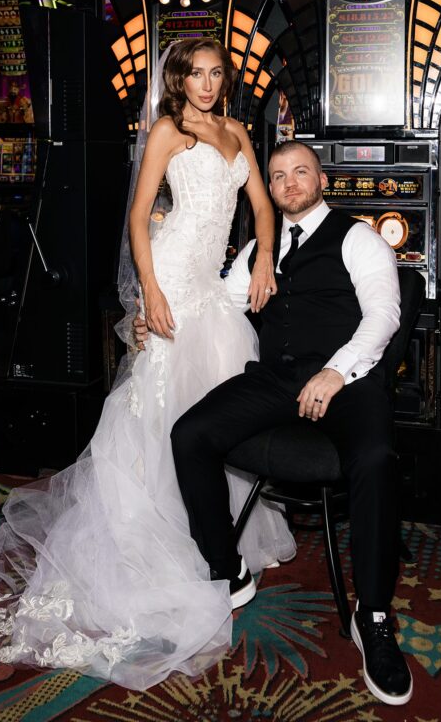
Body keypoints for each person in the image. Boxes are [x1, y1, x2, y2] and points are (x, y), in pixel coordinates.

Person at [0, 38, 295, 689]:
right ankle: (153, 533)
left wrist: (266, 257)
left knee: (218, 402)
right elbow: (138, 218)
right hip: (169, 277)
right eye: (197, 74)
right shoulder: (168, 128)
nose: (207, 84)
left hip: (211, 289)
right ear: (178, 78)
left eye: (217, 74)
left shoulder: (236, 130)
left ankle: (216, 532)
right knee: (158, 409)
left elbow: (261, 206)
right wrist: (152, 291)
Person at [165, 140, 413, 707]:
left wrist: (336, 372)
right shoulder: (260, 247)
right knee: (190, 435)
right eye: (277, 177)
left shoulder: (358, 238)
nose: (290, 183)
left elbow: (385, 314)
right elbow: (220, 307)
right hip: (276, 379)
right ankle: (227, 571)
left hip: (348, 379)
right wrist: (157, 320)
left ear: (321, 180)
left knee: (375, 461)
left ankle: (372, 616)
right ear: (268, 191)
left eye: (301, 172)